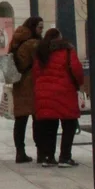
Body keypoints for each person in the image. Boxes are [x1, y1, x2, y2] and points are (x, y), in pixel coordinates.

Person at [32, 28, 85, 167]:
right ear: (59, 38)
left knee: (49, 126)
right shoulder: (67, 51)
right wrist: (79, 84)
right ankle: (65, 157)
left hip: (44, 92)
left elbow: (35, 74)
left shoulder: (41, 52)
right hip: (64, 91)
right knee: (69, 124)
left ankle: (49, 157)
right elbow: (77, 71)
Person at [8, 16, 44, 164]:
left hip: (19, 85)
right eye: (40, 27)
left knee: (20, 121)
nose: (42, 30)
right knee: (38, 121)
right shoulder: (34, 44)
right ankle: (41, 151)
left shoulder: (16, 41)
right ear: (33, 27)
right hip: (33, 85)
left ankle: (20, 152)